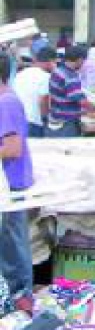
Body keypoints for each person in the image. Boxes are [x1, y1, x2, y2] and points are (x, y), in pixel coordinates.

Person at [0, 51, 34, 313]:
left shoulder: (5, 103)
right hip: (8, 183)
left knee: (12, 248)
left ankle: (21, 302)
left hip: (10, 185)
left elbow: (12, 148)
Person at [46, 46, 95, 138]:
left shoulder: (57, 71)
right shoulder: (70, 76)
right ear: (79, 60)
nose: (83, 64)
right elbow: (82, 102)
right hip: (66, 123)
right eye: (83, 61)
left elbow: (64, 96)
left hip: (55, 118)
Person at [13, 47, 56, 138]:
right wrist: (45, 118)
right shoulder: (46, 76)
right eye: (54, 62)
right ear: (50, 62)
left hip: (18, 119)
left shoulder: (20, 74)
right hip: (34, 122)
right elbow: (43, 99)